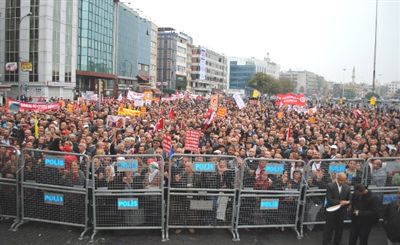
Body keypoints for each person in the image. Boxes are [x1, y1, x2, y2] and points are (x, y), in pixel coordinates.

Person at [322, 172, 351, 245]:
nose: (342, 182)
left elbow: (349, 199)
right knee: (329, 228)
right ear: (337, 179)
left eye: (344, 180)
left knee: (340, 228)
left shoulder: (347, 187)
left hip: (341, 211)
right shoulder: (330, 186)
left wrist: (348, 203)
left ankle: (337, 241)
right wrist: (341, 202)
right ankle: (326, 242)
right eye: (341, 180)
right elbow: (329, 199)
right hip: (331, 210)